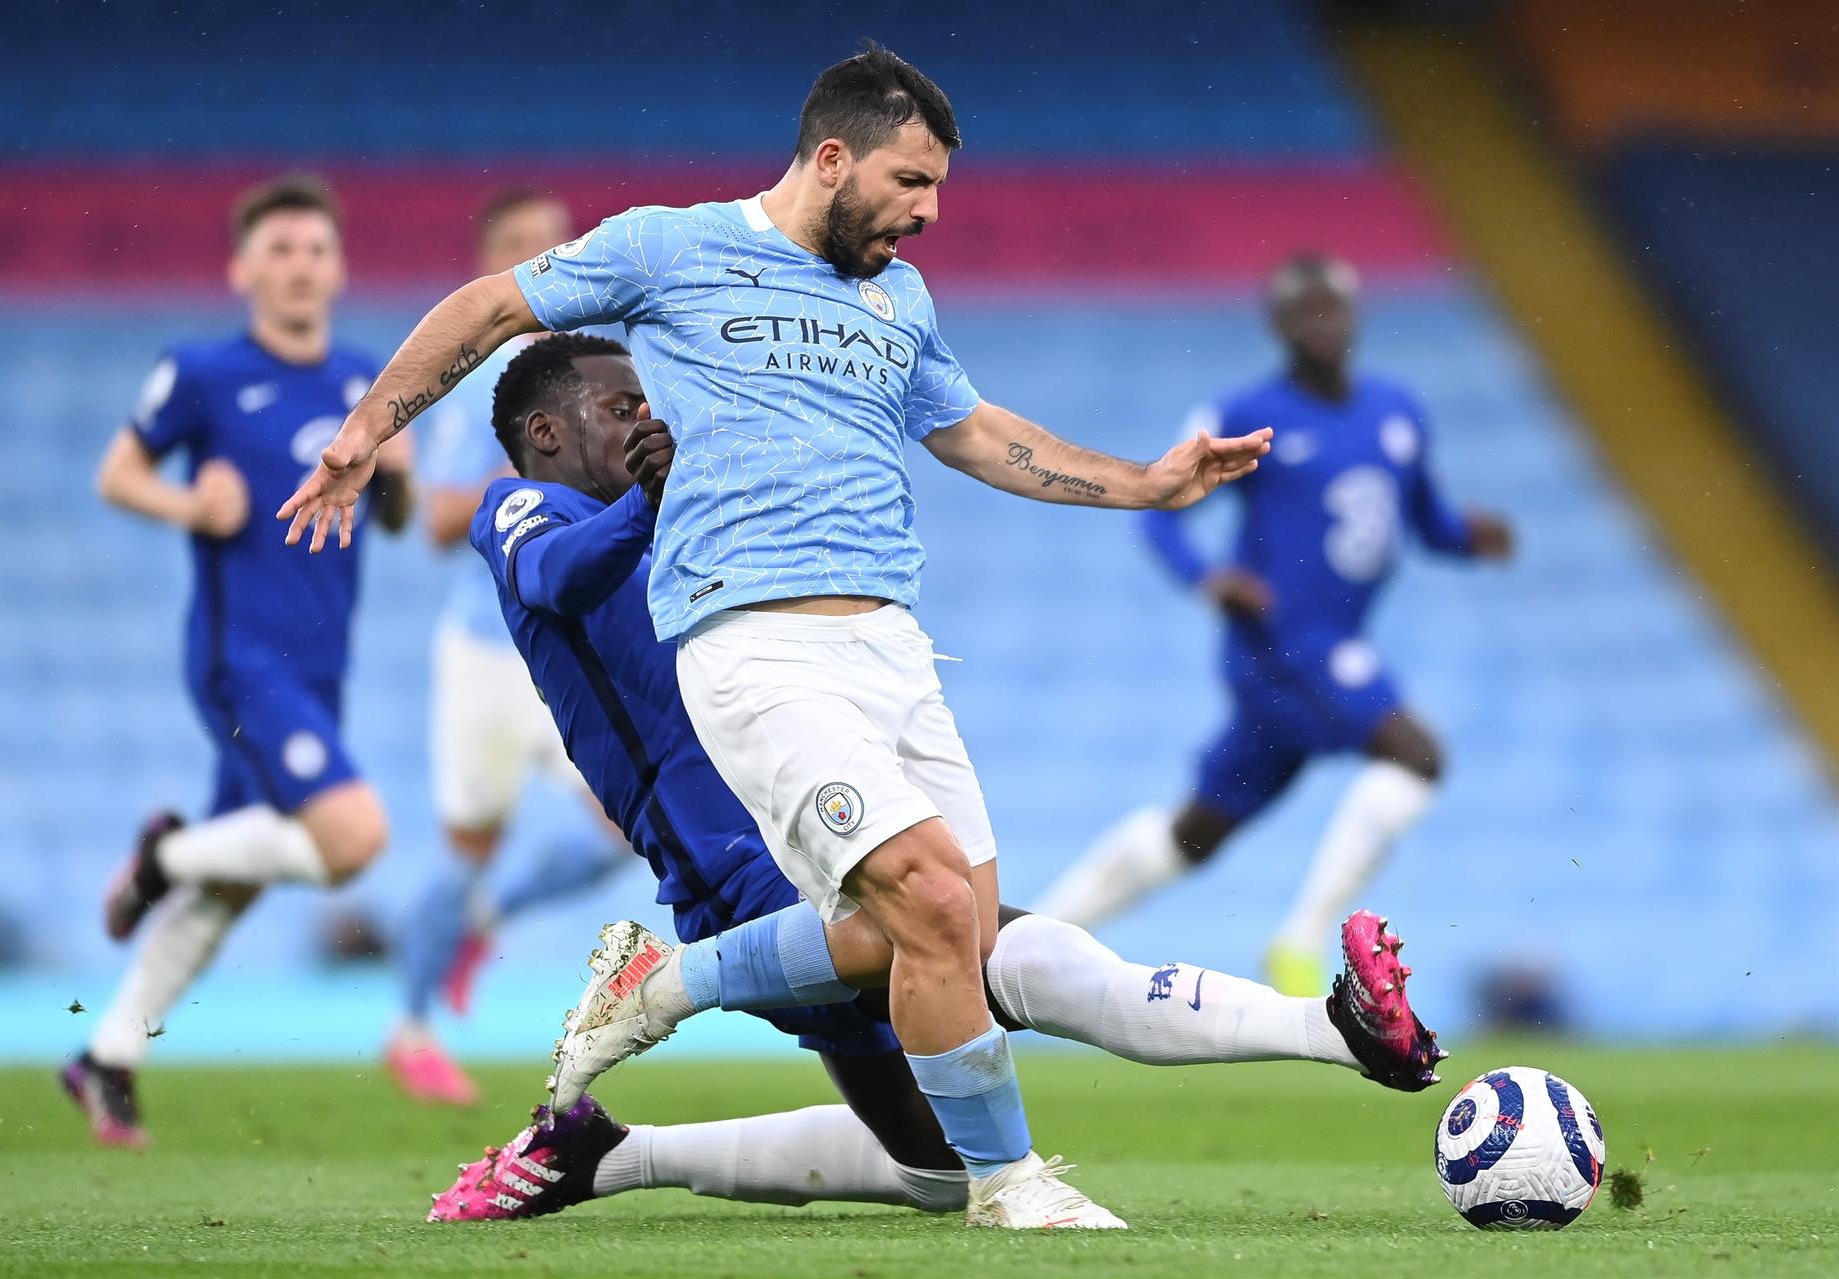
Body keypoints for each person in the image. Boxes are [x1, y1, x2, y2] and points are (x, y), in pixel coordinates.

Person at [278, 43, 1272, 1228]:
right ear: (833, 156)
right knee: (933, 909)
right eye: (911, 181)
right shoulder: (671, 247)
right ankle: (1015, 1187)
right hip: (752, 638)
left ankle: (671, 995)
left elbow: (972, 431)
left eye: (940, 188)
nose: (929, 211)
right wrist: (366, 426)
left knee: (952, 944)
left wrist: (1145, 484)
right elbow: (493, 305)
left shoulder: (900, 300)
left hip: (894, 648)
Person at [417, 333, 1441, 1223]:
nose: (645, 420)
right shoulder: (520, 511)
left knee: (937, 1163)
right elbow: (560, 576)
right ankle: (1335, 1027)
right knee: (991, 951)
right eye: (618, 406)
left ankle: (608, 1152)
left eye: (649, 402)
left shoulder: (671, 516)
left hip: (809, 810)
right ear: (547, 433)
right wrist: (653, 502)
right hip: (733, 872)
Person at [1034, 253, 1514, 996]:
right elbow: (1161, 516)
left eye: (1333, 308)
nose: (1322, 323)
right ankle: (1301, 941)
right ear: (1279, 325)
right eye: (1305, 311)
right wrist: (1209, 580)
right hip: (1282, 648)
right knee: (1418, 753)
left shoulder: (1397, 410)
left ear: (1354, 316)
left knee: (1194, 833)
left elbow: (1422, 519)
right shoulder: (1244, 416)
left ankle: (1031, 940)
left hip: (1323, 654)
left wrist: (1466, 537)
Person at [63, 176, 412, 1147]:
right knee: (353, 840)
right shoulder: (204, 373)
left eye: (314, 249)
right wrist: (188, 506)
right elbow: (117, 471)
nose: (299, 266)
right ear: (243, 267)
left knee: (237, 880)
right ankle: (160, 853)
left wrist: (393, 476)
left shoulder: (360, 383)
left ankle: (107, 1055)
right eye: (280, 249)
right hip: (241, 657)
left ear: (338, 268)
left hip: (320, 665)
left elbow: (396, 516)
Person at [388, 189, 631, 1106]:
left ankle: (482, 922)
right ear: (493, 267)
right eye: (522, 248)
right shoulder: (477, 382)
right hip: (489, 655)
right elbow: (444, 520)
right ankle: (410, 1029)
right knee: (465, 843)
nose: (544, 260)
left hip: (569, 647)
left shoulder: (596, 376)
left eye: (553, 244)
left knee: (618, 830)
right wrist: (528, 462)